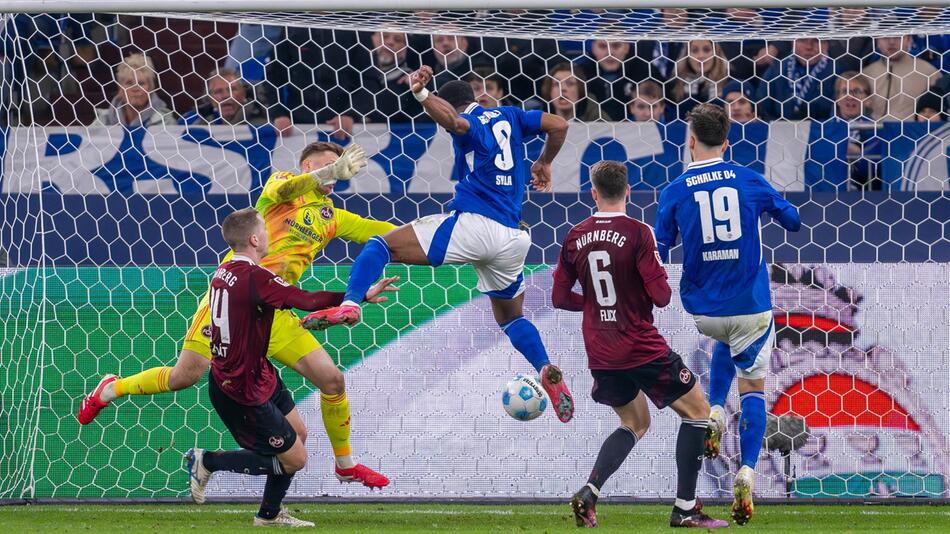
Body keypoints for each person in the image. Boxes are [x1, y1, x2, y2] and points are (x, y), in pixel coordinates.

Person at [78, 141, 396, 488]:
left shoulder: (331, 218)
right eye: (328, 166)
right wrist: (328, 171)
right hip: (232, 297)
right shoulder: (283, 187)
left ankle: (345, 465)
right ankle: (111, 388)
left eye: (342, 166)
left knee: (332, 380)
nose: (338, 172)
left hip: (275, 310)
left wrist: (439, 231)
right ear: (307, 167)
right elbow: (286, 187)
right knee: (184, 376)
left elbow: (382, 232)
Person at [305, 70, 578, 423]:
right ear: (478, 96)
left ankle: (350, 304)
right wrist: (544, 162)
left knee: (379, 247)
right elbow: (559, 125)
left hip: (476, 225)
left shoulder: (469, 120)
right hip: (513, 239)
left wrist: (421, 95)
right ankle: (544, 366)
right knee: (511, 318)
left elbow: (455, 123)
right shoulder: (510, 114)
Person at [185, 208, 395, 526]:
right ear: (255, 239)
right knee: (295, 459)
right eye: (265, 231)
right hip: (241, 387)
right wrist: (360, 295)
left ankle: (268, 515)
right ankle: (208, 461)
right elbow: (307, 301)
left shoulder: (224, 270)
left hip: (257, 372)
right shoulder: (256, 278)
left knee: (299, 433)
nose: (270, 236)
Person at [553, 161, 728, 529]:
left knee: (634, 422)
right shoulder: (639, 232)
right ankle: (685, 509)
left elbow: (558, 296)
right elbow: (662, 296)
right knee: (698, 413)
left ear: (593, 193)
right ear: (628, 191)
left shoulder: (574, 234)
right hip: (640, 345)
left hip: (600, 351)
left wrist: (594, 305)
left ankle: (590, 491)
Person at [654, 103, 802, 525]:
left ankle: (715, 409)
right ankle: (748, 474)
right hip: (750, 307)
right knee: (753, 388)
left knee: (724, 337)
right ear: (728, 141)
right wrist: (766, 207)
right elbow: (792, 220)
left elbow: (661, 247)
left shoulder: (676, 189)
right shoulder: (748, 179)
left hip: (704, 310)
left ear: (690, 141)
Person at [754, 38, 837, 121]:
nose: (809, 47)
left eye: (816, 41)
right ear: (792, 43)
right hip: (780, 129)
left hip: (821, 130)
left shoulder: (836, 72)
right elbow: (762, 108)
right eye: (802, 40)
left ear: (826, 45)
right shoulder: (776, 69)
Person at [863, 35, 940, 121]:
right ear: (877, 41)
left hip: (913, 132)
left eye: (898, 37)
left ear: (909, 40)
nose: (891, 42)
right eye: (885, 37)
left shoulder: (928, 71)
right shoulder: (866, 74)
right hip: (875, 132)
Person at [92, 52, 176, 127]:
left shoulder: (166, 122)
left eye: (141, 83)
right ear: (120, 88)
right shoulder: (103, 121)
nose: (135, 88)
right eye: (129, 83)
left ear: (150, 88)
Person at [180, 66, 267, 126]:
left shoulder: (264, 121)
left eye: (232, 89)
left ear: (243, 93)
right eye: (218, 91)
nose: (226, 96)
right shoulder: (199, 126)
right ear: (210, 98)